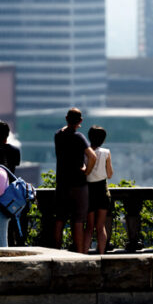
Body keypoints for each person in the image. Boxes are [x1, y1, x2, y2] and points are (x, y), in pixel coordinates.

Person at [53, 108, 97, 253]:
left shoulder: (58, 135)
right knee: (78, 219)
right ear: (80, 121)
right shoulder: (79, 137)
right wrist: (87, 170)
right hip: (78, 183)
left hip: (62, 183)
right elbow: (92, 156)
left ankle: (56, 251)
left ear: (66, 118)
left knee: (59, 219)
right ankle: (79, 253)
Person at [82, 126, 113, 254]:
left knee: (89, 227)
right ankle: (101, 254)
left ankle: (84, 254)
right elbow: (110, 174)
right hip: (102, 190)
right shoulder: (106, 152)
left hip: (89, 191)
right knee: (100, 227)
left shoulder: (85, 152)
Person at [0, 121, 25, 245]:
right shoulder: (15, 150)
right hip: (10, 190)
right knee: (12, 220)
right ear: (7, 134)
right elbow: (16, 164)